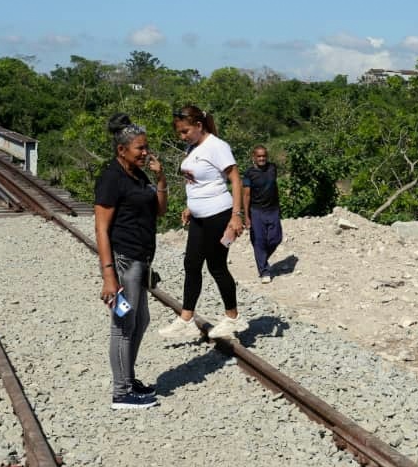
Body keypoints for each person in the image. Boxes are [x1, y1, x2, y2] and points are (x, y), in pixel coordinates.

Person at [94, 113, 167, 410]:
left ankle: (128, 377)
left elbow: (160, 210)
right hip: (124, 262)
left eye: (146, 147)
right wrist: (108, 275)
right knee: (123, 323)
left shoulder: (138, 175)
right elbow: (101, 228)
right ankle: (121, 392)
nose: (145, 152)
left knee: (141, 319)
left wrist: (161, 179)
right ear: (121, 150)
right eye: (139, 148)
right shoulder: (111, 178)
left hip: (141, 260)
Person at [158, 105, 246, 341]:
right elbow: (199, 182)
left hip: (218, 215)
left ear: (199, 126)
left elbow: (235, 180)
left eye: (185, 131)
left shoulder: (217, 146)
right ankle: (186, 319)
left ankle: (233, 318)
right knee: (191, 264)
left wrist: (236, 216)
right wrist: (190, 206)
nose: (182, 136)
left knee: (216, 266)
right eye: (180, 132)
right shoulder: (193, 147)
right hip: (199, 216)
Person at [242, 145, 283, 283]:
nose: (262, 158)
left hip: (273, 209)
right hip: (256, 211)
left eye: (264, 156)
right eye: (259, 156)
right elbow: (246, 195)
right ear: (254, 157)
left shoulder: (273, 168)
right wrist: (246, 216)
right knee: (259, 241)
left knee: (276, 238)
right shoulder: (249, 173)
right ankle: (264, 270)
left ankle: (262, 258)